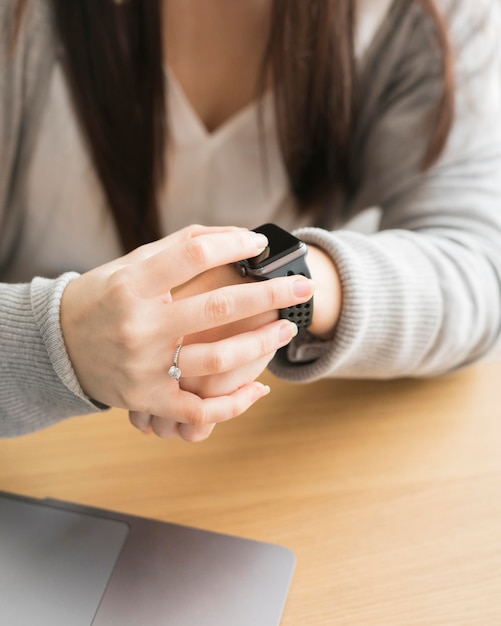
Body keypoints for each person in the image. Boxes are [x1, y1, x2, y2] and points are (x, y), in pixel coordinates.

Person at [1, 0, 501, 441]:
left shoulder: (429, 17)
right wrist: (57, 344)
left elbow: (481, 270)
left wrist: (280, 294)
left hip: (226, 465)